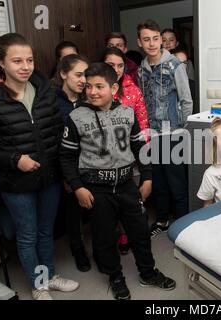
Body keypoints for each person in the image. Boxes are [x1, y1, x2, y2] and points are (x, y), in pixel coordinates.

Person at [0, 33, 79, 300]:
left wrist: (66, 173)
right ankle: (38, 284)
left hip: (49, 177)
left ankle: (49, 276)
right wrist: (15, 159)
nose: (25, 66)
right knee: (28, 235)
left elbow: (58, 134)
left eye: (29, 60)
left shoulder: (45, 90)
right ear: (0, 62)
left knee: (46, 231)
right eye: (17, 60)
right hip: (16, 184)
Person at [60, 62, 176, 300]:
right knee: (104, 238)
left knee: (140, 232)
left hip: (125, 185)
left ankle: (148, 272)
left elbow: (137, 146)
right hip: (95, 189)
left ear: (114, 89)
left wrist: (147, 177)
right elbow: (66, 156)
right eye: (89, 86)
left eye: (99, 86)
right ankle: (115, 277)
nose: (92, 91)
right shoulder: (76, 117)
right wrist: (77, 186)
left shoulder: (126, 112)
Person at [136, 19, 193, 237]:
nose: (152, 43)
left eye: (155, 39)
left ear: (161, 39)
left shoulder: (175, 65)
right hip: (151, 135)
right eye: (146, 39)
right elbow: (141, 103)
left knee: (176, 182)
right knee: (157, 182)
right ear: (139, 42)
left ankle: (183, 223)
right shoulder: (141, 70)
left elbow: (186, 100)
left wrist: (182, 129)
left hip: (173, 133)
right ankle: (161, 220)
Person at [102, 46, 150, 255]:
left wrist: (143, 154)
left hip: (133, 154)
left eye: (120, 65)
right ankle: (118, 235)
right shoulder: (96, 91)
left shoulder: (133, 90)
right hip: (106, 158)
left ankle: (132, 234)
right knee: (113, 202)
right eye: (111, 65)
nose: (117, 69)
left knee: (134, 199)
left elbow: (143, 120)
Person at [54, 54, 91, 271]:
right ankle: (78, 250)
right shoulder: (52, 102)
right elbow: (53, 141)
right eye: (78, 74)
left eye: (85, 75)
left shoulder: (89, 100)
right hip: (68, 167)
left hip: (90, 164)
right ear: (63, 74)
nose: (83, 80)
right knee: (73, 213)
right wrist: (66, 176)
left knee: (96, 209)